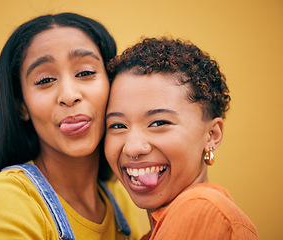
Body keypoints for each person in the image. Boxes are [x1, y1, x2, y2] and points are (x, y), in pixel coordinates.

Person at [0, 13, 146, 240]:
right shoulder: (1, 203)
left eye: (85, 72)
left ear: (112, 84)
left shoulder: (119, 195)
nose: (69, 95)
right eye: (45, 80)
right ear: (21, 106)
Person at [104, 37, 259, 239]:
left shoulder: (200, 208)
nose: (132, 148)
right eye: (117, 125)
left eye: (159, 123)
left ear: (212, 135)